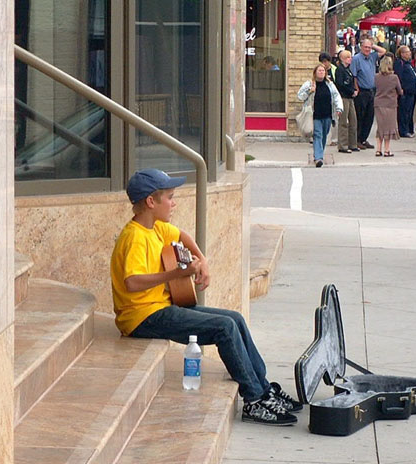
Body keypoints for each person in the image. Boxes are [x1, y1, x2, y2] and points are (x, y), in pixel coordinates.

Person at [110, 168, 303, 425]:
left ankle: (264, 388)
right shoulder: (134, 237)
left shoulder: (155, 228)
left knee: (235, 318)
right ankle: (254, 400)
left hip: (160, 308)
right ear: (150, 202)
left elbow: (181, 236)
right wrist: (177, 273)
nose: (174, 202)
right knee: (223, 327)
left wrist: (202, 261)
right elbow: (132, 282)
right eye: (169, 197)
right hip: (142, 317)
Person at [298, 65, 343, 167]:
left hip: (327, 114)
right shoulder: (309, 84)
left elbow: (336, 96)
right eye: (319, 70)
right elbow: (300, 96)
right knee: (318, 135)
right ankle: (319, 158)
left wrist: (339, 108)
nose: (321, 72)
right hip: (315, 114)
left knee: (324, 135)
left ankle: (319, 154)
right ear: (315, 72)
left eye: (323, 71)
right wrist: (310, 91)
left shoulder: (329, 84)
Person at [350, 37, 387, 150]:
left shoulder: (372, 56)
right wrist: (356, 89)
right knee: (360, 116)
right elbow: (354, 76)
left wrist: (373, 44)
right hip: (362, 91)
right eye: (365, 47)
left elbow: (383, 51)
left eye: (369, 47)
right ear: (361, 47)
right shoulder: (356, 58)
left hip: (372, 91)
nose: (367, 49)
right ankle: (357, 139)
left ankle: (363, 139)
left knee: (369, 117)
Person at [374, 57, 403, 157]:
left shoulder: (376, 77)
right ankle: (387, 150)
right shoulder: (394, 77)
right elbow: (400, 91)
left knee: (380, 127)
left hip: (378, 104)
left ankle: (378, 149)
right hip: (390, 104)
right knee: (389, 128)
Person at [334, 50, 359, 153]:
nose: (350, 59)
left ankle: (353, 143)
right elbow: (340, 84)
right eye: (348, 57)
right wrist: (351, 91)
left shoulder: (348, 70)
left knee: (353, 121)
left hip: (350, 98)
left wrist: (354, 90)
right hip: (344, 97)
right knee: (343, 122)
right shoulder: (340, 70)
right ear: (343, 59)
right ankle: (343, 145)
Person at [394, 45, 416, 137]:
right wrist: (401, 89)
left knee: (409, 112)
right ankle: (403, 131)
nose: (410, 54)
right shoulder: (400, 63)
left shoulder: (408, 64)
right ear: (402, 54)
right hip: (405, 92)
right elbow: (399, 76)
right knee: (403, 112)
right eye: (407, 52)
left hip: (411, 92)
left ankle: (409, 129)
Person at [320, 52, 338, 146]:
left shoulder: (334, 69)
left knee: (334, 118)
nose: (324, 64)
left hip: (332, 97)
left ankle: (334, 139)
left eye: (325, 62)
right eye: (322, 62)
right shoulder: (319, 70)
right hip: (322, 97)